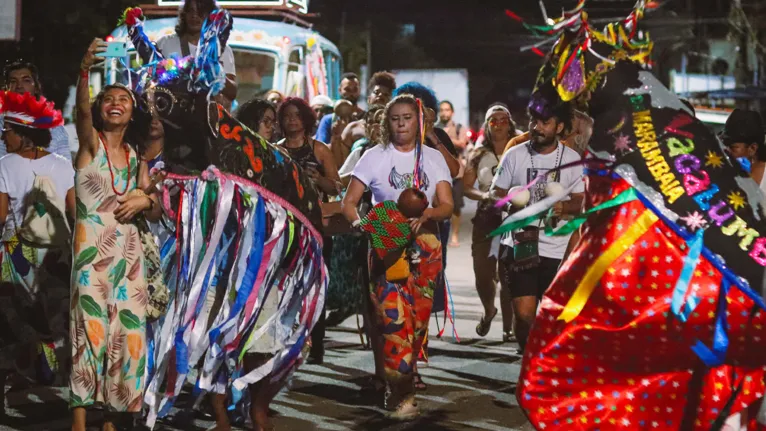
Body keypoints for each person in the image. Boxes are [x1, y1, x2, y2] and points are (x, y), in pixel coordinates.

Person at [341, 94, 453, 419]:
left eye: (407, 118)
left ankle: (404, 381)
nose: (402, 123)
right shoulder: (373, 157)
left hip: (425, 247)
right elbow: (350, 202)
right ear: (386, 123)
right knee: (392, 322)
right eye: (395, 118)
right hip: (386, 247)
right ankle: (399, 391)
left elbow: (447, 205)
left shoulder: (432, 158)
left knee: (416, 324)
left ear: (419, 122)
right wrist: (361, 223)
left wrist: (428, 212)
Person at [70, 39, 162, 431]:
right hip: (91, 259)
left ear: (132, 111)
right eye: (108, 98)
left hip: (128, 260)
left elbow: (156, 207)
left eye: (123, 98)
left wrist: (145, 199)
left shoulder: (138, 157)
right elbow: (80, 113)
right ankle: (78, 421)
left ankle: (111, 420)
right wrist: (84, 69)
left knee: (127, 336)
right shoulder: (90, 146)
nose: (115, 102)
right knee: (89, 332)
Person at [490, 94, 584, 351]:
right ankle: (528, 358)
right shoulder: (514, 155)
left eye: (544, 122)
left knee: (554, 317)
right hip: (520, 243)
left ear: (560, 127)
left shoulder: (572, 159)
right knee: (524, 315)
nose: (536, 127)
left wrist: (562, 206)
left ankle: (545, 363)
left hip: (556, 247)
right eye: (534, 121)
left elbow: (580, 200)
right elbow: (494, 192)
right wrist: (510, 202)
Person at [0, 91, 74, 389]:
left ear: (23, 133)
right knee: (55, 309)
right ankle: (54, 356)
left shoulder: (4, 164)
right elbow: (74, 210)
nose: (4, 137)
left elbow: (1, 216)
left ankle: (23, 367)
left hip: (18, 251)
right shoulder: (62, 164)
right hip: (56, 250)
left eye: (7, 131)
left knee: (17, 311)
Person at [277, 97, 340, 365]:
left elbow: (337, 187)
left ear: (306, 120)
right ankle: (286, 341)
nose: (292, 120)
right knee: (285, 285)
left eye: (297, 116)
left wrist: (320, 180)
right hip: (284, 226)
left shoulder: (320, 149)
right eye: (287, 116)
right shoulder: (275, 150)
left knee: (316, 287)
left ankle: (316, 343)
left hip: (316, 227)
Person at [464, 105, 517, 343]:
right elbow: (466, 187)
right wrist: (484, 196)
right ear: (486, 125)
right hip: (486, 217)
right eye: (492, 121)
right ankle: (488, 311)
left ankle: (510, 327)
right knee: (483, 273)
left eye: (502, 119)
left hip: (515, 216)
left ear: (510, 122)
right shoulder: (478, 154)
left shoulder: (521, 148)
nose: (498, 124)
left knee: (509, 274)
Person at [156, 0, 237, 107]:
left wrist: (216, 72)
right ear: (184, 14)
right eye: (190, 11)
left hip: (206, 118)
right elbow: (151, 82)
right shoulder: (165, 44)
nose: (194, 16)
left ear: (211, 15)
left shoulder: (223, 50)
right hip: (170, 117)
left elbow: (232, 93)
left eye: (200, 11)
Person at [1, 60, 72, 160]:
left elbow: (65, 168)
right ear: (6, 89)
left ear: (37, 87)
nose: (19, 86)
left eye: (26, 80)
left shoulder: (55, 128)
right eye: (13, 81)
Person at [339, 72, 397, 155]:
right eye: (376, 92)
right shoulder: (352, 128)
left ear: (391, 102)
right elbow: (342, 164)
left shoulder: (396, 130)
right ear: (369, 99)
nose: (380, 95)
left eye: (386, 94)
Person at [436, 101, 469, 247]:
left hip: (456, 174)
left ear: (452, 112)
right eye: (442, 110)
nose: (444, 113)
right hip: (438, 173)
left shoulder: (459, 127)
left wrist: (447, 138)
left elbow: (463, 143)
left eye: (447, 110)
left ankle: (454, 235)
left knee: (456, 207)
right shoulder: (434, 128)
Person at [721, 109, 766, 193]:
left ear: (752, 148)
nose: (727, 152)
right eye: (726, 146)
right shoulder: (728, 173)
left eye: (733, 147)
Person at [315, 73, 363, 150]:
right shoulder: (328, 120)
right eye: (347, 89)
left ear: (359, 91)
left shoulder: (365, 119)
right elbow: (320, 148)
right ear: (340, 90)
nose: (351, 93)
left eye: (355, 89)